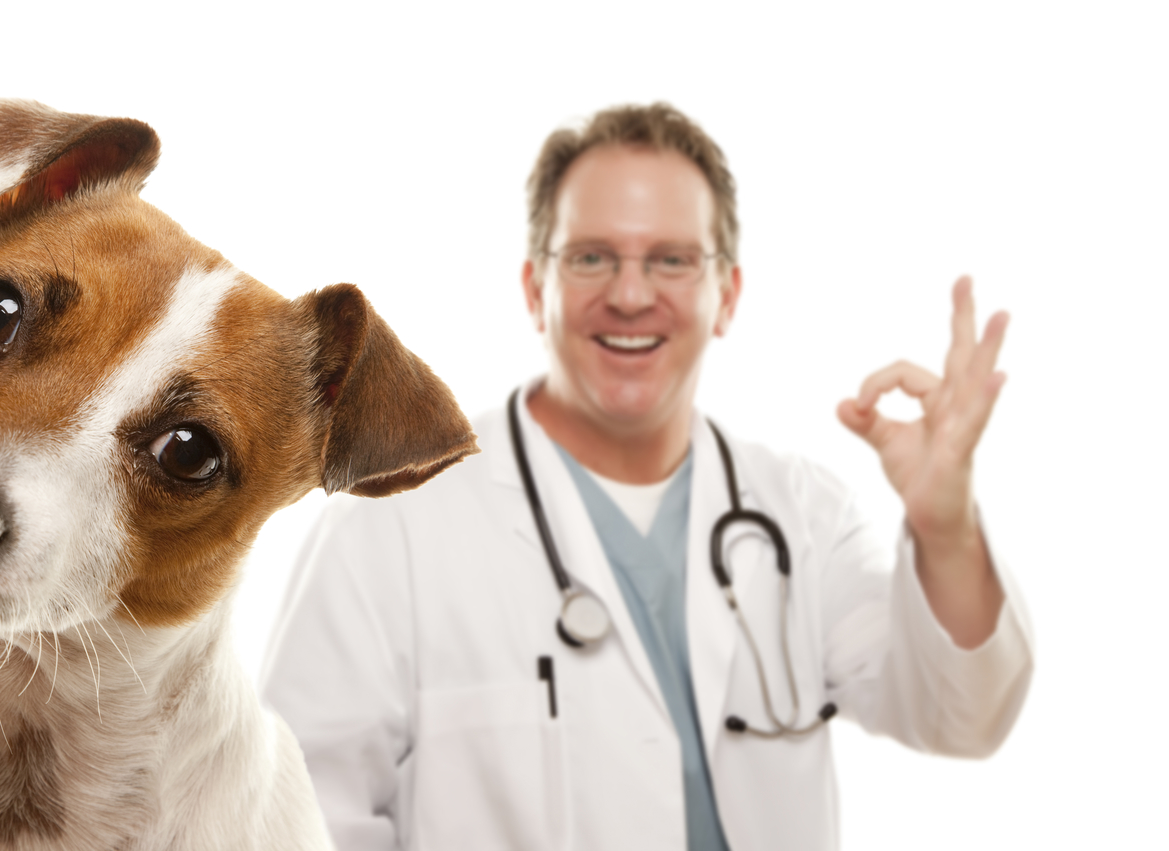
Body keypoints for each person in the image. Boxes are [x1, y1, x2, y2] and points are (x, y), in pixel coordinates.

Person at [260, 103, 1033, 850]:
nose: (631, 296)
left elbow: (962, 713)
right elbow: (299, 816)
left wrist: (945, 525)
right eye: (592, 256)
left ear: (726, 295)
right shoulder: (392, 521)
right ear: (536, 289)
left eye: (672, 259)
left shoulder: (803, 514)